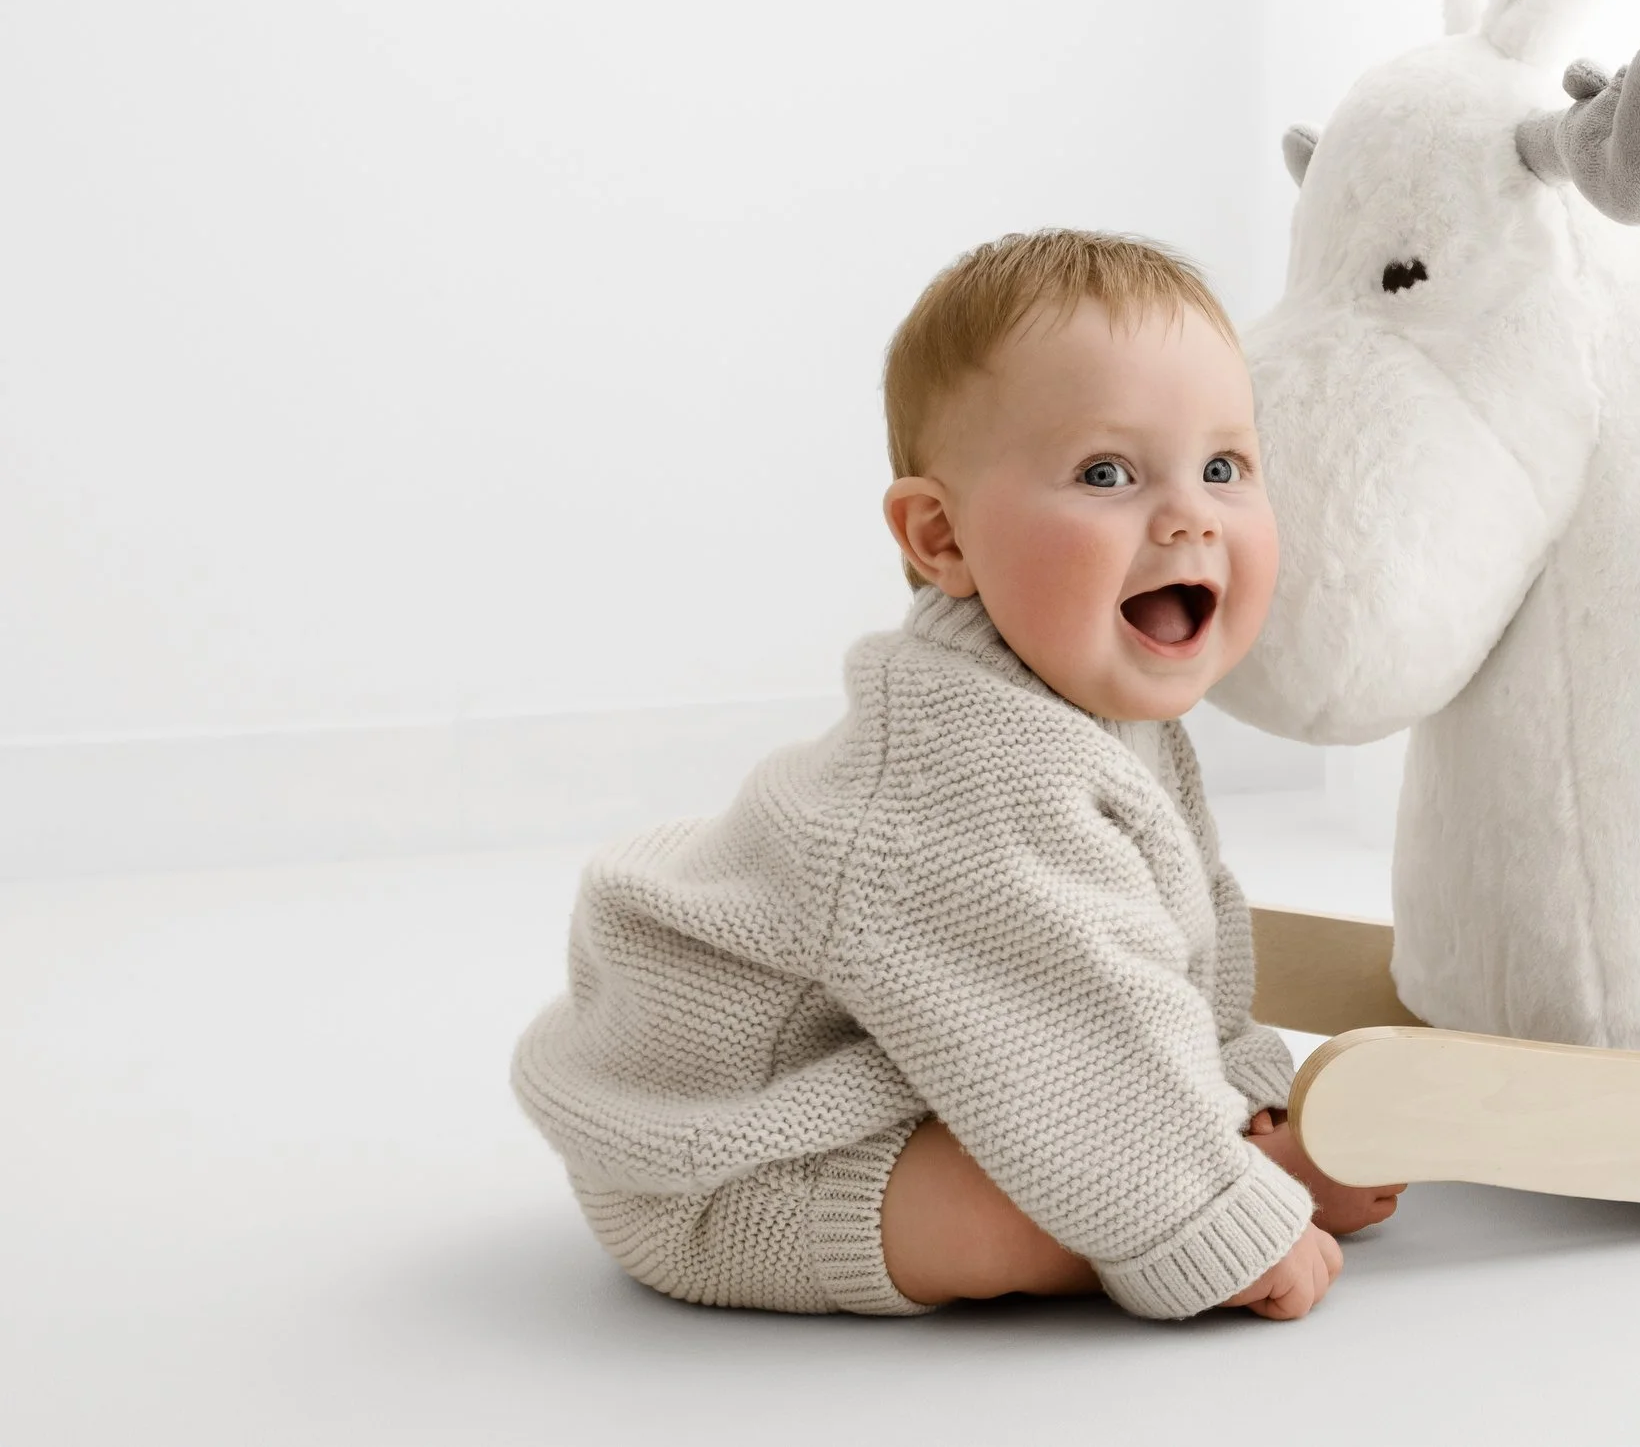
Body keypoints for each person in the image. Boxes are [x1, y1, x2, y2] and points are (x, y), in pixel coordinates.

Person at [512, 229, 1401, 1322]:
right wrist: (1231, 1215)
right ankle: (1177, 1196)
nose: (1188, 515)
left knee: (1079, 1115)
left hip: (914, 1060)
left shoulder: (1090, 704)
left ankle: (1192, 1162)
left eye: (1223, 467)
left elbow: (1170, 938)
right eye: (1107, 473)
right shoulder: (970, 772)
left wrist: (1242, 1094)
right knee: (1007, 1206)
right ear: (943, 537)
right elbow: (1080, 1031)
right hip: (733, 1161)